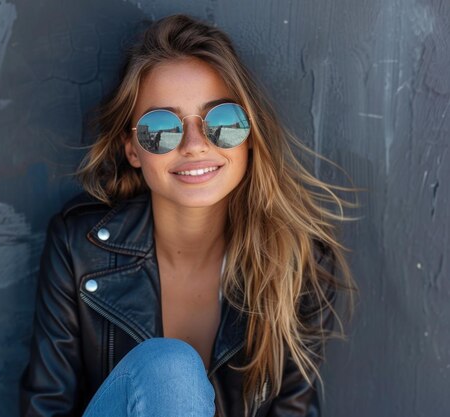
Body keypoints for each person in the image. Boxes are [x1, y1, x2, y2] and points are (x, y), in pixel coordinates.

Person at [19, 14, 356, 417]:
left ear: (249, 135)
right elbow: (46, 407)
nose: (195, 145)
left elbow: (293, 411)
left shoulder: (298, 262)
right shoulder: (78, 247)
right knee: (169, 370)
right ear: (131, 148)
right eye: (162, 126)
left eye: (221, 120)